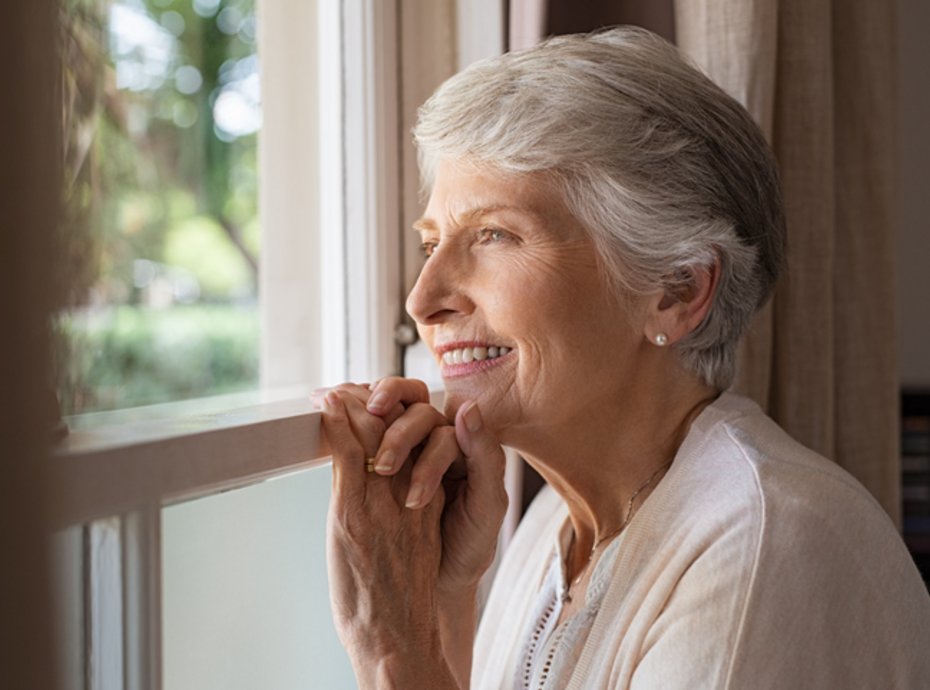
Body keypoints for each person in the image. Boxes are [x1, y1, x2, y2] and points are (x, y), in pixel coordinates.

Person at [312, 26, 930, 689]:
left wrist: (392, 652)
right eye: (432, 242)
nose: (421, 299)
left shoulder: (766, 545)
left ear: (676, 291)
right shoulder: (553, 527)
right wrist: (445, 595)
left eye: (494, 234)